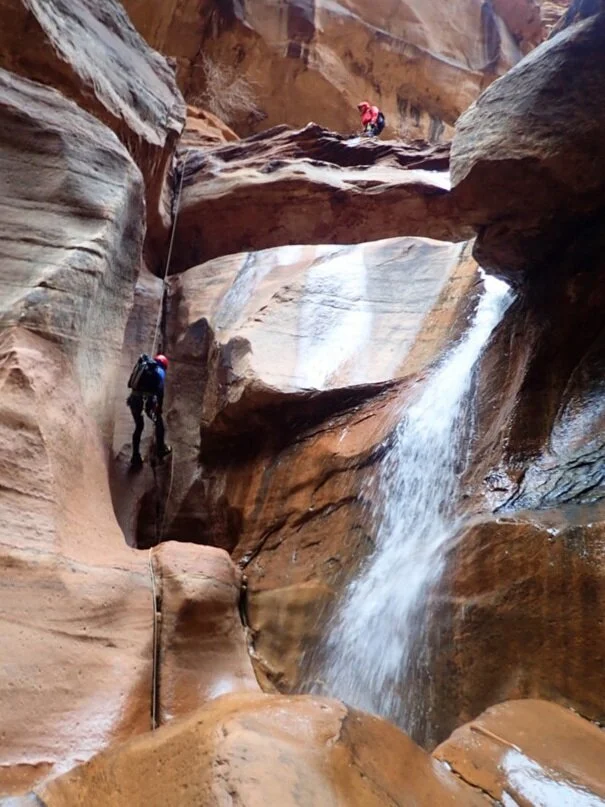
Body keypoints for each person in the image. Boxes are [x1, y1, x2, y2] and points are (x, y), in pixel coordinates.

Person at [127, 353, 171, 469]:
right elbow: (160, 392)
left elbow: (130, 383)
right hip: (147, 402)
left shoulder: (142, 366)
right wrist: (159, 408)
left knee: (139, 426)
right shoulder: (159, 371)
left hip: (134, 401)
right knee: (159, 423)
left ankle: (135, 456)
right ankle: (161, 449)